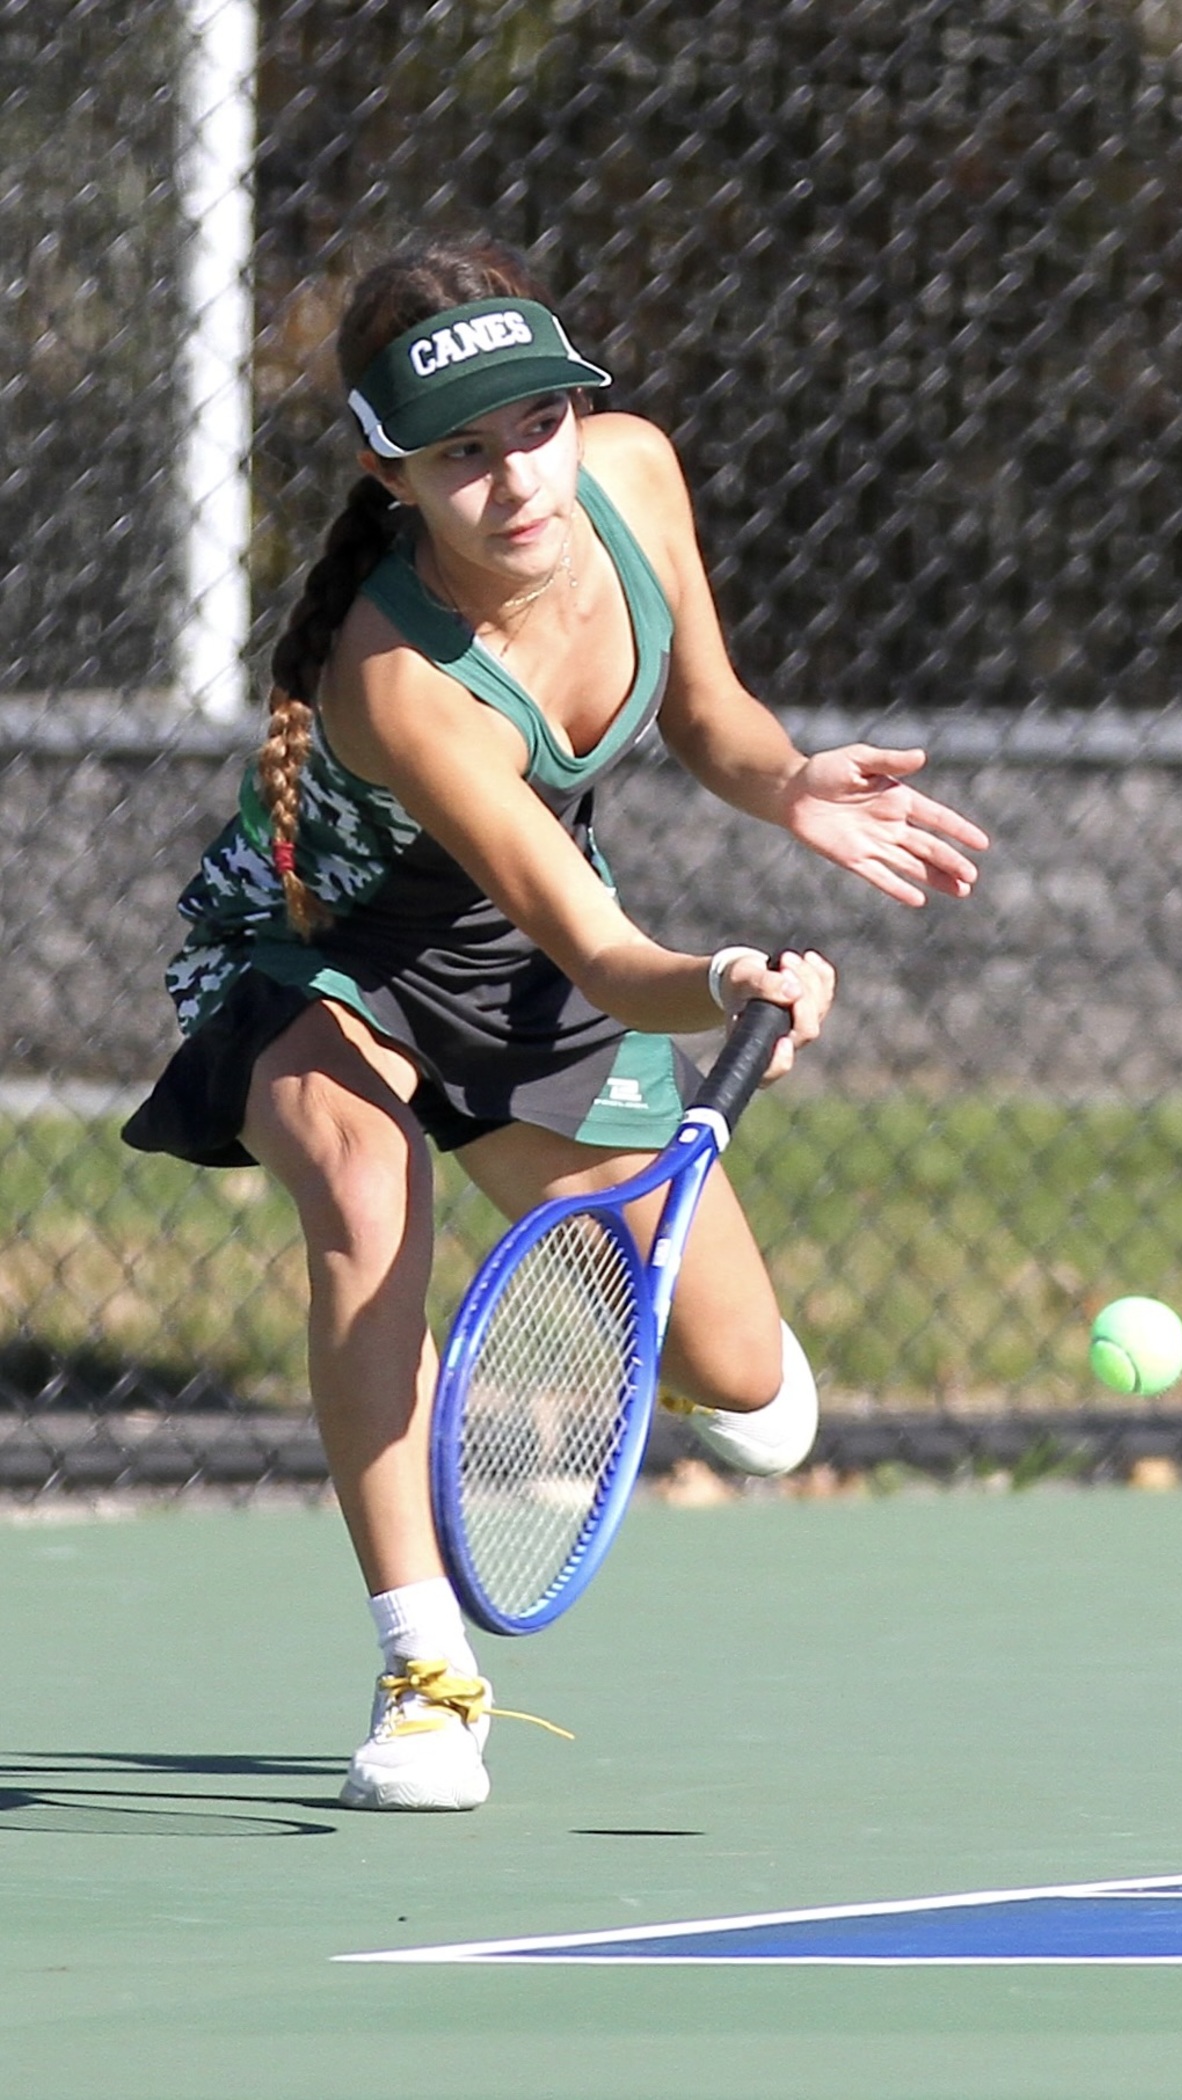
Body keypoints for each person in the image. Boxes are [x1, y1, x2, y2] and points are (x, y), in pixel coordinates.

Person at [124, 234, 989, 1813]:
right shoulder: (396, 678)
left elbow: (709, 716)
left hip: (500, 951)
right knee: (367, 1200)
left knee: (752, 1394)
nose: (519, 479)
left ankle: (677, 1351)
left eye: (539, 424)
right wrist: (725, 982)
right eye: (465, 453)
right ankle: (424, 1671)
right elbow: (598, 948)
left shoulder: (635, 477)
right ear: (392, 470)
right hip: (310, 948)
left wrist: (788, 784)